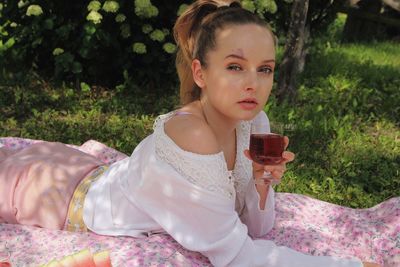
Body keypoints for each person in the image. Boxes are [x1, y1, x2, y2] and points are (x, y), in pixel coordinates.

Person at [0, 1, 383, 266]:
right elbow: (237, 257)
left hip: (84, 168)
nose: (254, 83)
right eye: (235, 67)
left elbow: (257, 231)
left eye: (264, 69)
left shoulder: (256, 123)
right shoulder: (191, 135)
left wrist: (263, 185)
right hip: (53, 196)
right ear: (200, 73)